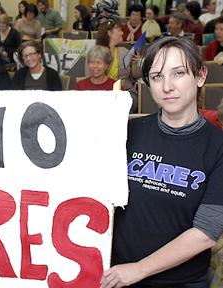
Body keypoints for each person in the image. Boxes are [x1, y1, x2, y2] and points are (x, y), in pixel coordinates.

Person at [102, 36, 223, 288]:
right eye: (157, 76)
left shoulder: (218, 147)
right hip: (116, 274)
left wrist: (138, 270)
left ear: (201, 76)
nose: (167, 86)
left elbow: (206, 232)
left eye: (178, 73)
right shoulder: (126, 131)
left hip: (179, 281)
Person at [97, 20, 141, 98]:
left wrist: (135, 64)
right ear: (109, 33)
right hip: (103, 92)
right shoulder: (96, 54)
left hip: (126, 92)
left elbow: (135, 76)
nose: (122, 33)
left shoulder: (124, 51)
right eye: (119, 30)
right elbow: (91, 78)